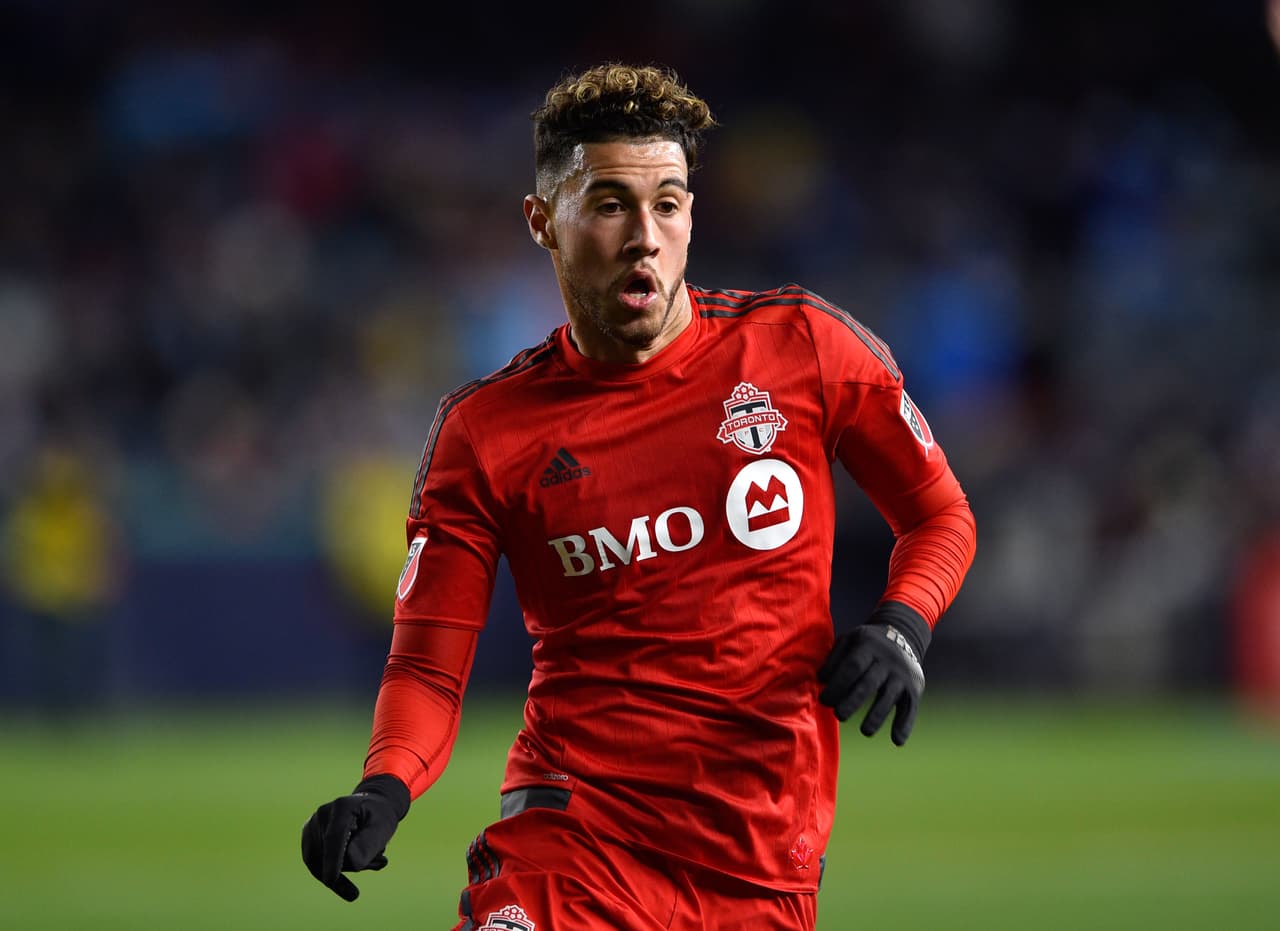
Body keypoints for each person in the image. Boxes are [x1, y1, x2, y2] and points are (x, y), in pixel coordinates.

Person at [301, 62, 977, 931]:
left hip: (763, 863)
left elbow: (939, 513)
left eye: (668, 203)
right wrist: (385, 786)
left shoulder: (804, 349)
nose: (644, 237)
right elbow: (430, 663)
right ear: (543, 221)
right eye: (611, 203)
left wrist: (903, 623)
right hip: (573, 841)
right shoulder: (484, 433)